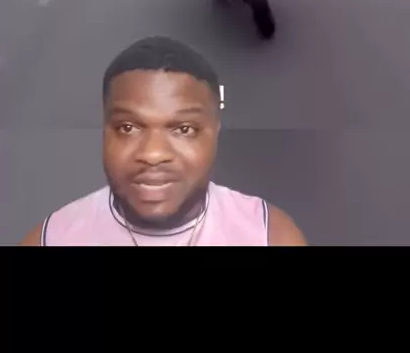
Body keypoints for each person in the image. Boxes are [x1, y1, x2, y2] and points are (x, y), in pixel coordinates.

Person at [20, 37, 306, 246]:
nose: (153, 153)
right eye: (128, 128)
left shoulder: (269, 236)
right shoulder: (50, 240)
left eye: (184, 129)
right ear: (105, 130)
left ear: (215, 132)